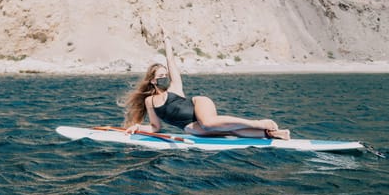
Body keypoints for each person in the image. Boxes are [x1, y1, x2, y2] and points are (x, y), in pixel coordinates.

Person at [124, 32, 290, 140]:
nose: (165, 77)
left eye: (165, 75)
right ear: (152, 80)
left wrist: (166, 40)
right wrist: (138, 127)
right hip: (189, 126)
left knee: (208, 123)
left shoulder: (174, 86)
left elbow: (170, 60)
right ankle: (271, 134)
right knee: (229, 131)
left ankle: (260, 123)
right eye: (161, 76)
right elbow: (155, 127)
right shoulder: (150, 101)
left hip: (199, 105)